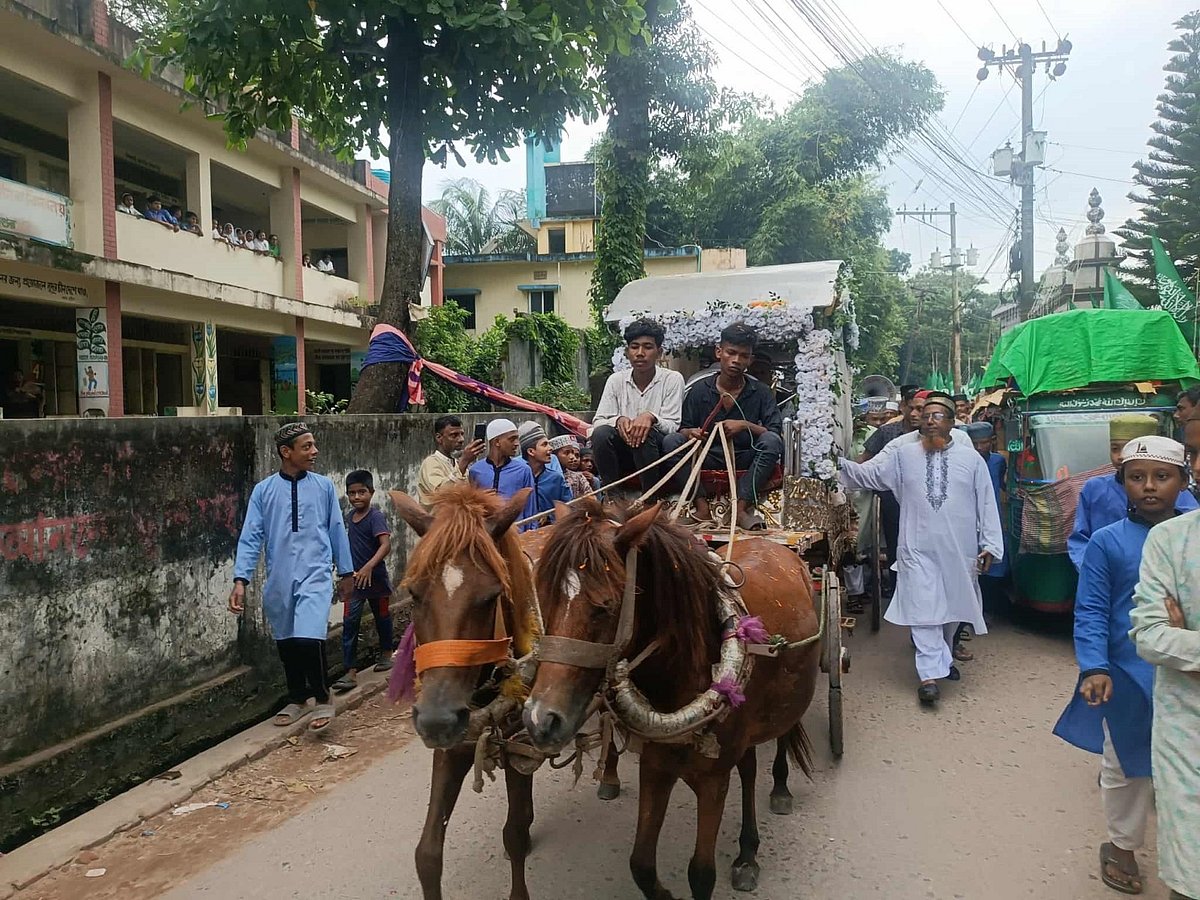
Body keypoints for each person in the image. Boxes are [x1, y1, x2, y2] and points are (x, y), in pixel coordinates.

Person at [1053, 435, 1191, 896]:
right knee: (1126, 765)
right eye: (1137, 478)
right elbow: (1091, 609)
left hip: (1188, 668)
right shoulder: (1107, 543)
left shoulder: (1191, 539)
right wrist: (1095, 667)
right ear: (1122, 483)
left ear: (1183, 481)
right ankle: (1123, 846)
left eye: (1161, 476)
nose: (1149, 487)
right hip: (1129, 673)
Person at [838, 391, 1003, 704]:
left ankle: (943, 657)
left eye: (938, 415)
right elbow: (870, 474)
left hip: (960, 548)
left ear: (953, 423)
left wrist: (990, 544)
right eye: (926, 415)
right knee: (923, 607)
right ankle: (928, 675)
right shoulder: (903, 453)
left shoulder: (970, 459)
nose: (929, 421)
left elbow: (986, 502)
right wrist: (835, 464)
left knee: (952, 607)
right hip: (916, 546)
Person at [229, 423, 354, 731]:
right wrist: (240, 580)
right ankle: (298, 698)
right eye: (307, 446)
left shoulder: (323, 486)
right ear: (287, 452)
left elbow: (337, 528)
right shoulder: (264, 491)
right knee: (287, 641)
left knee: (309, 636)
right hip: (280, 577)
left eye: (313, 445)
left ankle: (323, 699)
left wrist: (346, 571)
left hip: (316, 572)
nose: (315, 452)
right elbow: (250, 537)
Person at [1129, 413, 1200, 900]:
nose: (1149, 487)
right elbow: (1151, 637)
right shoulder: (1170, 541)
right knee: (1188, 866)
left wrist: (1188, 642)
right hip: (1187, 725)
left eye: (1162, 475)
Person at [663, 323, 784, 531]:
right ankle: (700, 507)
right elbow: (682, 428)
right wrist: (691, 433)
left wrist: (745, 426)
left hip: (745, 454)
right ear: (719, 352)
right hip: (705, 454)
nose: (736, 360)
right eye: (731, 353)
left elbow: (774, 433)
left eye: (744, 356)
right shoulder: (699, 390)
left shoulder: (762, 392)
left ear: (750, 360)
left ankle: (741, 508)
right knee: (671, 441)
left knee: (772, 442)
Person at [1069, 415, 1196, 570]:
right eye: (1114, 449)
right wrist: (1093, 568)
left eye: (1129, 447)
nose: (1120, 456)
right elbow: (1079, 539)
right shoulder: (1094, 488)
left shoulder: (1174, 492)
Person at [591, 318, 684, 498]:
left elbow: (673, 424)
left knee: (644, 431)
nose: (640, 353)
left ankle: (650, 499)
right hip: (624, 453)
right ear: (627, 352)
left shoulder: (672, 379)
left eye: (648, 347)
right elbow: (598, 421)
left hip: (656, 455)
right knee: (601, 433)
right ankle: (612, 498)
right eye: (634, 347)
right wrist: (618, 420)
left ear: (659, 352)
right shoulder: (615, 380)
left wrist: (650, 417)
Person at [331, 470, 394, 694]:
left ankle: (387, 653)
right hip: (354, 581)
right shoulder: (349, 518)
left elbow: (385, 545)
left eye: (361, 492)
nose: (357, 497)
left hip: (375, 579)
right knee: (349, 624)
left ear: (371, 493)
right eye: (352, 493)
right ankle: (350, 671)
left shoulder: (375, 517)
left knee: (382, 618)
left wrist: (369, 566)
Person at [965, 420, 1009, 624]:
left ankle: (987, 610)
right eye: (975, 443)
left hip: (992, 517)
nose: (980, 448)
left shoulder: (998, 462)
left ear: (991, 441)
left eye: (984, 443)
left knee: (993, 566)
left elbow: (1002, 485)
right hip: (967, 520)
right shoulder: (964, 461)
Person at [468, 418, 537, 527]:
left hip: (517, 534)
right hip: (485, 534)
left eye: (517, 439)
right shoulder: (475, 471)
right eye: (512, 439)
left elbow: (530, 509)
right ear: (497, 442)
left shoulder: (524, 470)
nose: (517, 444)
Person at [416, 414, 484, 507]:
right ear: (439, 438)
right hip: (437, 520)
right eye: (454, 435)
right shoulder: (430, 463)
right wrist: (464, 462)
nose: (461, 439)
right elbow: (442, 493)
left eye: (461, 434)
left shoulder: (456, 464)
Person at [519, 421, 572, 523]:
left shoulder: (556, 479)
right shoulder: (517, 478)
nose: (550, 448)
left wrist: (548, 517)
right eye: (544, 445)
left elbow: (568, 510)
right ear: (531, 451)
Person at [550, 434, 593, 499]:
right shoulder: (547, 478)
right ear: (554, 455)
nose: (572, 457)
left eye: (572, 452)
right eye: (566, 453)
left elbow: (591, 498)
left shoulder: (578, 477)